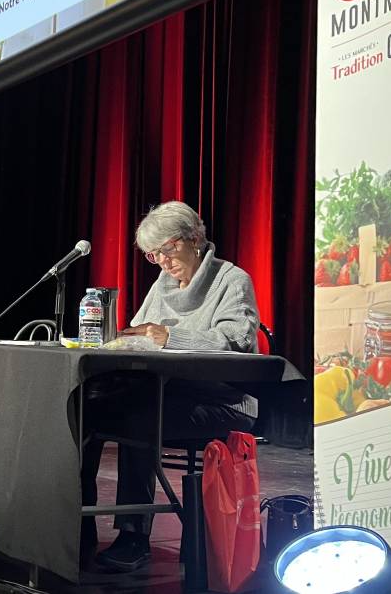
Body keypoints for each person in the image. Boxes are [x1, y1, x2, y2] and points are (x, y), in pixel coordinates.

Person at [81, 201, 259, 572]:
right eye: (152, 254)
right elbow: (139, 331)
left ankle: (134, 536)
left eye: (167, 249)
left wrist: (170, 337)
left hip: (224, 400)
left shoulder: (231, 279)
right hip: (168, 392)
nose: (161, 260)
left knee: (140, 416)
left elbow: (238, 340)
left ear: (194, 237)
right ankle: (77, 528)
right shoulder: (162, 285)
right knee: (86, 410)